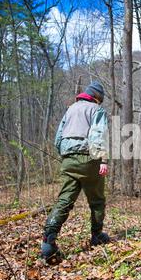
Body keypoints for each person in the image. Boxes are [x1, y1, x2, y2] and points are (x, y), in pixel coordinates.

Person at [41, 81, 110, 265]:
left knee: (64, 201)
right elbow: (98, 135)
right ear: (97, 98)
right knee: (97, 201)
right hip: (90, 160)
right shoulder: (97, 110)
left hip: (68, 159)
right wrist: (103, 159)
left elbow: (58, 137)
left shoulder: (70, 109)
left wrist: (65, 155)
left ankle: (49, 239)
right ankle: (96, 236)